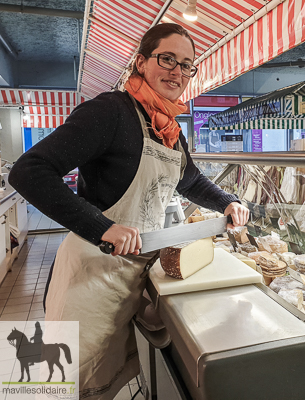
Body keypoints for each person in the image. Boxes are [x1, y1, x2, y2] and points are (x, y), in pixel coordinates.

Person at [9, 23, 248, 399]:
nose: (178, 72)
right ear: (141, 62)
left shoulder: (168, 128)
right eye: (167, 59)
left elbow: (190, 180)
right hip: (90, 274)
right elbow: (28, 171)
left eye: (187, 65)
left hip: (133, 275)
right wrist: (101, 226)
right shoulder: (110, 111)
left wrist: (226, 202)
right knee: (56, 385)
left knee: (106, 382)